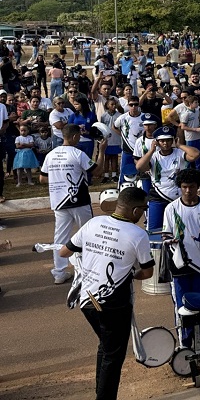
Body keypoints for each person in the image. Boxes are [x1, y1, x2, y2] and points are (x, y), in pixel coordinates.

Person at [58, 186, 154, 400]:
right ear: (136, 211)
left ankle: (99, 391)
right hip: (114, 305)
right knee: (113, 356)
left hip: (87, 301)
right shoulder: (138, 234)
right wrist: (132, 275)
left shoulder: (93, 223)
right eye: (143, 210)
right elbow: (147, 272)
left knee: (106, 346)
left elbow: (64, 252)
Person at [162, 168, 200, 347]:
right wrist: (169, 241)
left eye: (192, 187)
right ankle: (185, 344)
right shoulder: (171, 209)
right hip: (179, 267)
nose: (188, 191)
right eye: (184, 187)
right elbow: (165, 235)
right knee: (182, 305)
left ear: (198, 187)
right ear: (180, 187)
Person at [41, 123, 98, 284]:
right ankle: (91, 269)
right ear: (74, 137)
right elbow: (97, 171)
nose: (79, 138)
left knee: (60, 237)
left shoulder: (50, 155)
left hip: (59, 202)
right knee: (88, 234)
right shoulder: (78, 153)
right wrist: (102, 151)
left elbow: (42, 178)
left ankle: (59, 272)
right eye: (78, 136)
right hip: (79, 201)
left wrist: (58, 179)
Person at [134, 125, 200, 232]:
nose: (165, 143)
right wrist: (151, 150)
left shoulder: (179, 153)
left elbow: (195, 154)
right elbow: (139, 167)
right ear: (157, 142)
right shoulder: (154, 156)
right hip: (157, 196)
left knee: (181, 230)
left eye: (168, 140)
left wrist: (179, 145)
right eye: (162, 141)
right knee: (154, 230)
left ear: (173, 140)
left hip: (178, 198)